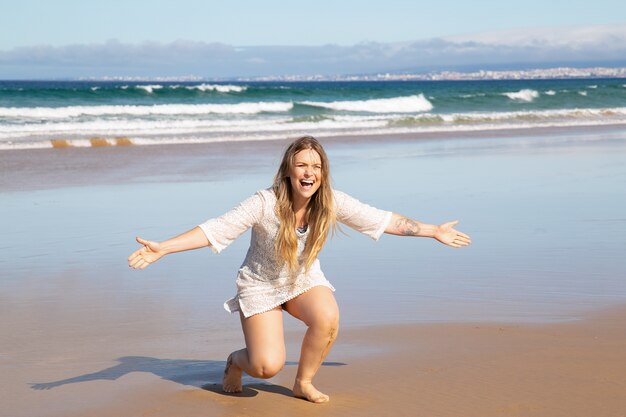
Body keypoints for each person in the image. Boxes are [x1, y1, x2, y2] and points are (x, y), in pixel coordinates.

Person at [128, 135, 471, 403]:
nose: (309, 172)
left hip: (302, 281)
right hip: (260, 286)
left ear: (323, 174)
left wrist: (433, 230)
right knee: (265, 367)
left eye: (316, 166)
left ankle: (303, 383)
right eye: (302, 165)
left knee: (328, 317)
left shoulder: (330, 202)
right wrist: (165, 247)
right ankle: (235, 360)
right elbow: (217, 228)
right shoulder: (264, 203)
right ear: (288, 171)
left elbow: (383, 219)